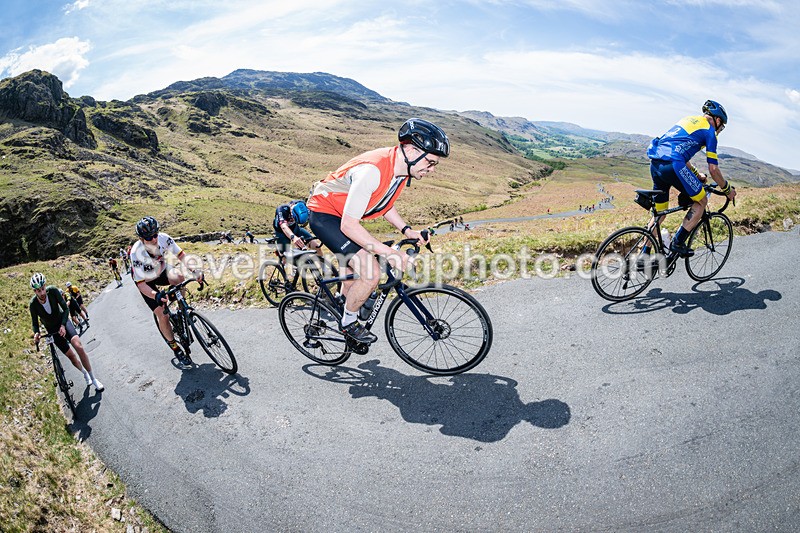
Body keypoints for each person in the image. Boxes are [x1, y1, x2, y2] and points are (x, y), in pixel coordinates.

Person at [307, 118, 448, 344]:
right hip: (326, 215)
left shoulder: (401, 170)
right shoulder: (372, 171)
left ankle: (343, 302)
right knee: (371, 272)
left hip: (343, 216)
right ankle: (348, 324)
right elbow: (349, 226)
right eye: (430, 163)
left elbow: (385, 204)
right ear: (412, 151)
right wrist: (389, 253)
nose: (431, 170)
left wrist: (407, 230)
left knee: (357, 275)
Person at [647, 100, 737, 256]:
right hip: (674, 165)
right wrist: (727, 189)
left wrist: (696, 174)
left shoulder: (688, 120)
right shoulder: (710, 132)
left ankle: (643, 253)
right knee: (702, 201)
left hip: (656, 163)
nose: (720, 130)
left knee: (660, 214)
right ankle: (678, 243)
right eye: (721, 127)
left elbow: (678, 150)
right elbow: (713, 170)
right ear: (717, 120)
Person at [130, 216, 203, 367]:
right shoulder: (136, 253)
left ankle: (181, 312)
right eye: (149, 237)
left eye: (155, 234)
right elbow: (141, 284)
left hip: (162, 270)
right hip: (146, 281)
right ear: (141, 238)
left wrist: (195, 271)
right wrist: (155, 295)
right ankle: (175, 348)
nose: (154, 239)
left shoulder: (164, 239)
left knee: (179, 278)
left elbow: (181, 256)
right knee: (162, 314)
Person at [29, 273, 104, 392]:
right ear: (34, 291)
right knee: (72, 357)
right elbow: (35, 323)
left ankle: (93, 378)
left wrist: (63, 325)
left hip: (63, 322)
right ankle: (84, 373)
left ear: (45, 286)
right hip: (52, 330)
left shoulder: (53, 291)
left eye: (43, 289)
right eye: (38, 291)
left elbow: (65, 309)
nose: (42, 293)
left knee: (78, 347)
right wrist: (36, 333)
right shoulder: (33, 304)